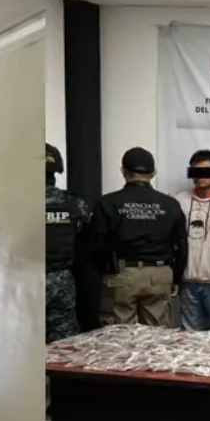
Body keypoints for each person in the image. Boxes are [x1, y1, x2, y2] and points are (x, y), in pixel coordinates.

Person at [90, 147, 185, 327]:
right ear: (154, 172)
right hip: (160, 273)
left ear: (123, 171)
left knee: (119, 334)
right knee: (156, 334)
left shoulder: (108, 203)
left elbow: (95, 244)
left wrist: (106, 271)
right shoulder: (170, 204)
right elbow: (181, 245)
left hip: (122, 272)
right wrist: (176, 277)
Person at [175, 150, 210, 331]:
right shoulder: (180, 200)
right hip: (188, 281)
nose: (200, 176)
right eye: (196, 171)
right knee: (191, 337)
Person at [46, 143, 89, 343]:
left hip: (24, 282)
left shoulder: (12, 203)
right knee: (64, 345)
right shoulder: (74, 203)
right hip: (61, 279)